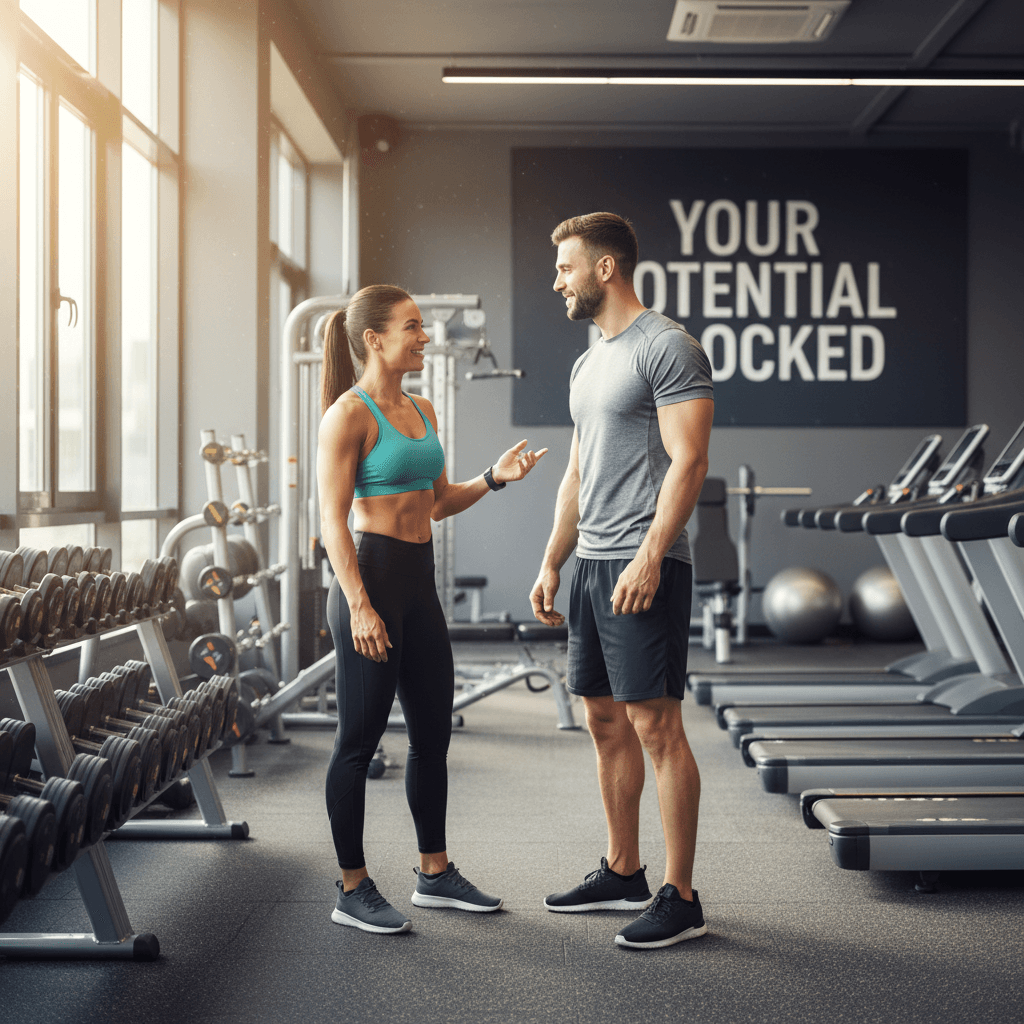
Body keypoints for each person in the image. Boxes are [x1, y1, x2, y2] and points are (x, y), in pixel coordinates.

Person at [318, 284, 547, 934]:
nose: (424, 338)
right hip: (372, 584)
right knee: (357, 745)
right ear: (375, 339)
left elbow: (438, 500)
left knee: (432, 738)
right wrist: (360, 606)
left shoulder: (423, 409)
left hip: (419, 586)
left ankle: (434, 872)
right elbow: (331, 522)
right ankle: (351, 886)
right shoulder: (348, 414)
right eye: (413, 327)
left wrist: (494, 479)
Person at [530, 212, 714, 950]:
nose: (558, 281)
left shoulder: (667, 347)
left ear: (606, 269)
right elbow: (577, 471)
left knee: (657, 726)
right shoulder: (588, 360)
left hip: (647, 563)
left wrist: (648, 554)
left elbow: (689, 461)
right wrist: (552, 557)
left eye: (566, 268)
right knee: (603, 719)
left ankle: (682, 895)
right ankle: (623, 869)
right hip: (590, 564)